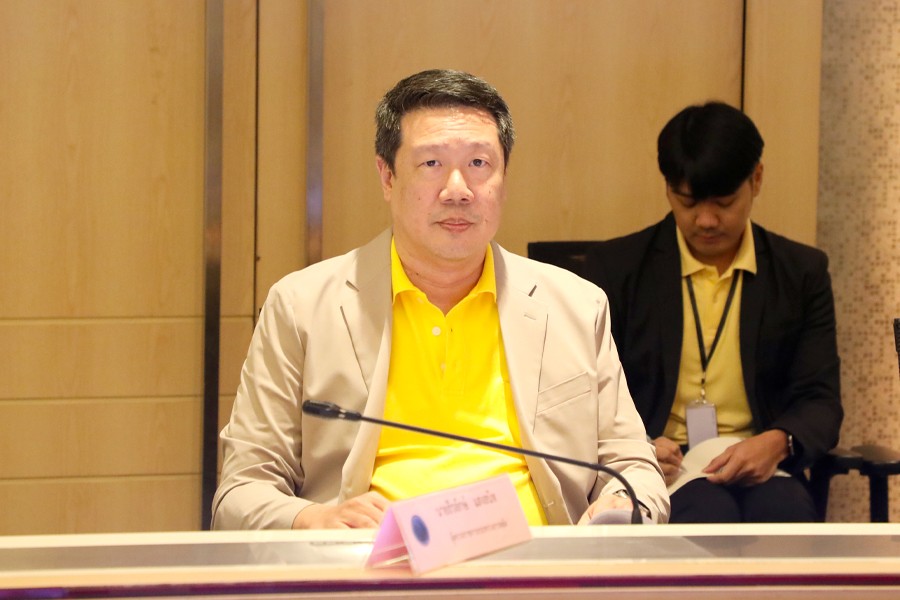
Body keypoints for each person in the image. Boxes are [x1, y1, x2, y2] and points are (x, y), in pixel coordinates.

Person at [211, 69, 668, 530]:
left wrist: (621, 505)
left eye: (479, 164)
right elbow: (240, 492)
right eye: (431, 163)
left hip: (533, 559)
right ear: (387, 177)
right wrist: (314, 518)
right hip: (373, 561)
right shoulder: (302, 307)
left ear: (503, 179)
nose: (458, 190)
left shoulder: (576, 306)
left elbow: (634, 466)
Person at [586, 101, 842, 523]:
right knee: (707, 512)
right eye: (688, 203)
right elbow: (586, 395)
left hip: (762, 460)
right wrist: (636, 448)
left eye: (724, 202)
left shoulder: (800, 272)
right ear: (668, 188)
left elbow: (821, 399)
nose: (705, 220)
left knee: (785, 513)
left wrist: (778, 441)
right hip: (662, 465)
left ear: (756, 179)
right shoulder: (617, 270)